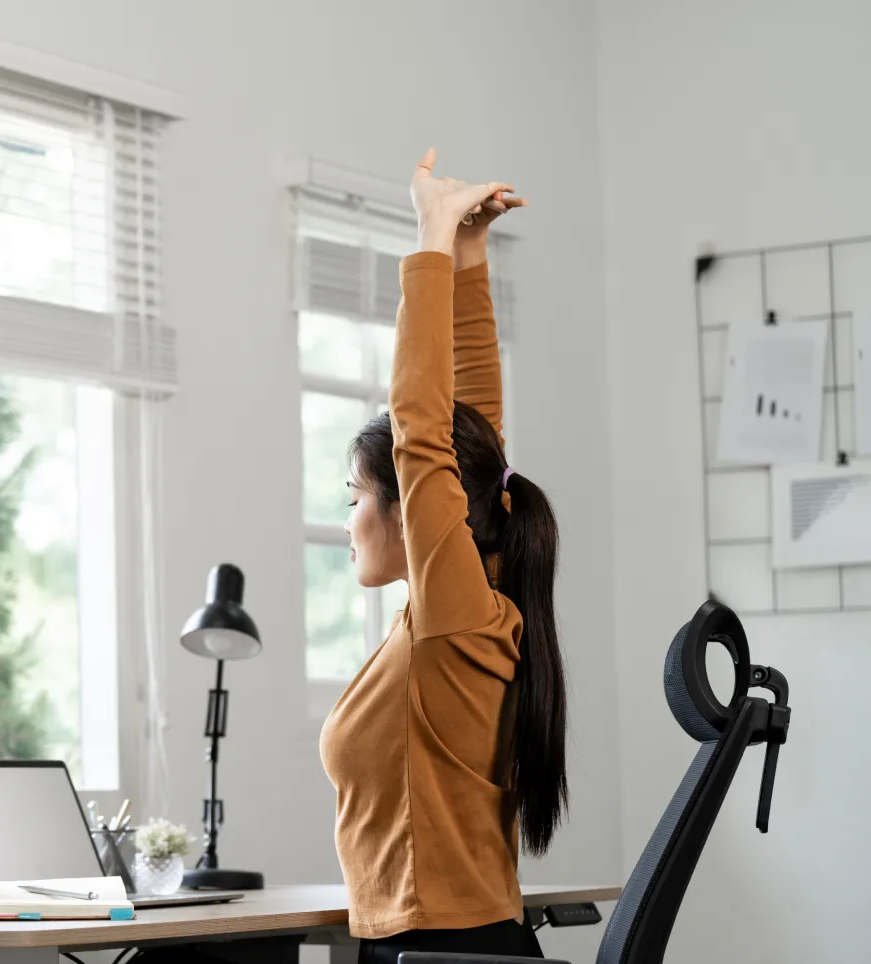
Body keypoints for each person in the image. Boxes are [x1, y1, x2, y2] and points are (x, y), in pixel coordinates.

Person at [319, 148, 568, 964]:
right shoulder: (468, 603)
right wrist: (468, 256)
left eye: (356, 498)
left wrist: (428, 237)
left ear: (404, 509)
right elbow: (471, 432)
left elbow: (425, 431)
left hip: (442, 951)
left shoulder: (453, 616)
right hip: (439, 944)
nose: (348, 517)